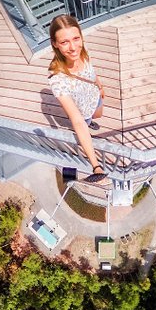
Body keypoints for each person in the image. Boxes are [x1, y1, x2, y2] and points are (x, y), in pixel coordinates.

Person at [47, 14, 108, 184]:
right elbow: (78, 121)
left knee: (98, 116)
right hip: (83, 113)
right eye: (65, 42)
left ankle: (92, 121)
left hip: (95, 98)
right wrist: (96, 165)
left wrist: (100, 86)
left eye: (76, 38)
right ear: (55, 44)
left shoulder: (83, 54)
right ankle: (91, 124)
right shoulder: (58, 80)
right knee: (86, 122)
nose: (73, 47)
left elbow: (92, 72)